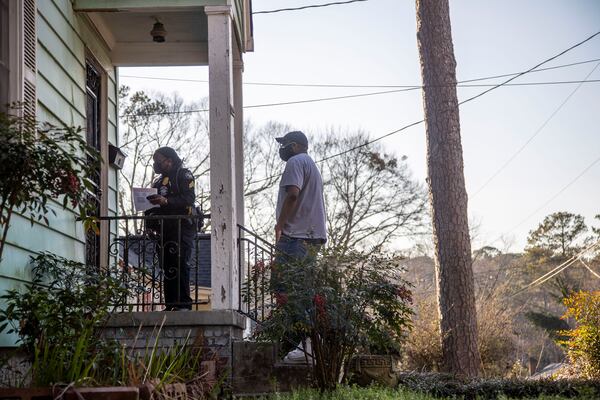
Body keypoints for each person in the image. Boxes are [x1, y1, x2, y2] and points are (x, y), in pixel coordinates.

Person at [273, 131, 327, 363]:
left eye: (285, 144)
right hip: (309, 237)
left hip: (296, 237)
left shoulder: (296, 161)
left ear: (295, 146)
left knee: (289, 291)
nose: (282, 149)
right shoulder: (311, 166)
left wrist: (280, 225)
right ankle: (307, 346)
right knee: (300, 292)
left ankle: (307, 348)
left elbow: (292, 195)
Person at [146, 147, 196, 311]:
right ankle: (171, 303)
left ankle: (184, 303)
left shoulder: (183, 174)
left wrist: (166, 201)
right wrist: (149, 224)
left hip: (183, 227)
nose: (156, 164)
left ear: (169, 160)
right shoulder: (158, 181)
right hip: (164, 229)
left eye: (158, 160)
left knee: (181, 263)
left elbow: (189, 198)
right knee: (167, 265)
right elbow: (152, 207)